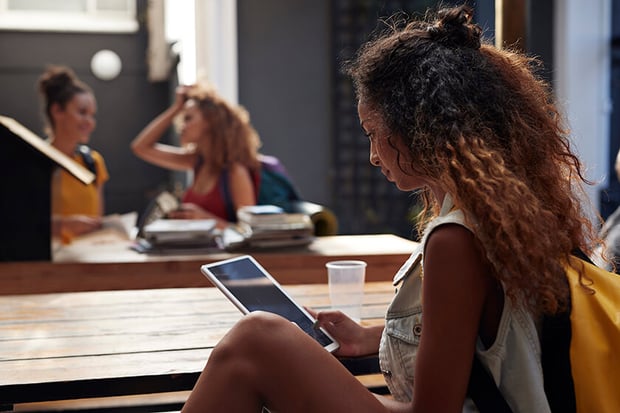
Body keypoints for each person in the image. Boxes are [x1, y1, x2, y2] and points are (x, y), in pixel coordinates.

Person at [180, 4, 600, 412]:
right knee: (261, 342)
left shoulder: (455, 239)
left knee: (257, 338)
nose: (373, 156)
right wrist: (368, 338)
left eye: (373, 133)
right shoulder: (503, 216)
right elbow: (472, 338)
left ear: (418, 128)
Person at [131, 82, 261, 229]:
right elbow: (140, 147)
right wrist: (176, 108)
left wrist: (206, 219)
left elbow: (248, 231)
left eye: (188, 118)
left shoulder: (235, 172)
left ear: (211, 121)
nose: (181, 126)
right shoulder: (197, 162)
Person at [38, 65, 109, 241]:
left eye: (92, 115)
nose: (90, 122)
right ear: (57, 111)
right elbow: (18, 221)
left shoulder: (93, 162)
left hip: (87, 263)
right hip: (47, 264)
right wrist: (63, 225)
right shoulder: (34, 161)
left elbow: (97, 221)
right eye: (82, 112)